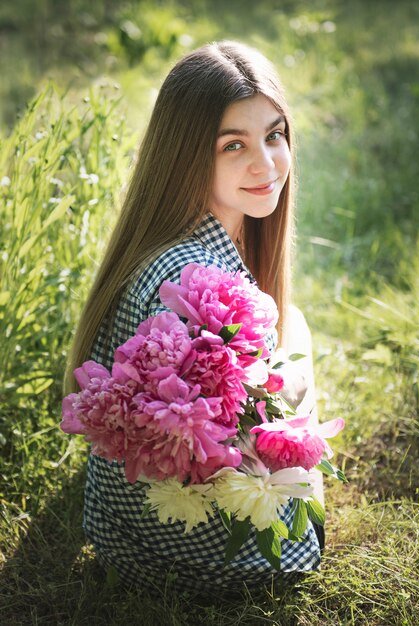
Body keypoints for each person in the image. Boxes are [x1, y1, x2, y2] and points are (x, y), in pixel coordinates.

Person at [65, 40, 323, 595]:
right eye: (234, 145)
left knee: (289, 324)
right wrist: (295, 375)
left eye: (274, 135)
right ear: (185, 154)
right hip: (213, 560)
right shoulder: (194, 284)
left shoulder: (166, 240)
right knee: (295, 336)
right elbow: (260, 442)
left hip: (121, 535)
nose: (267, 162)